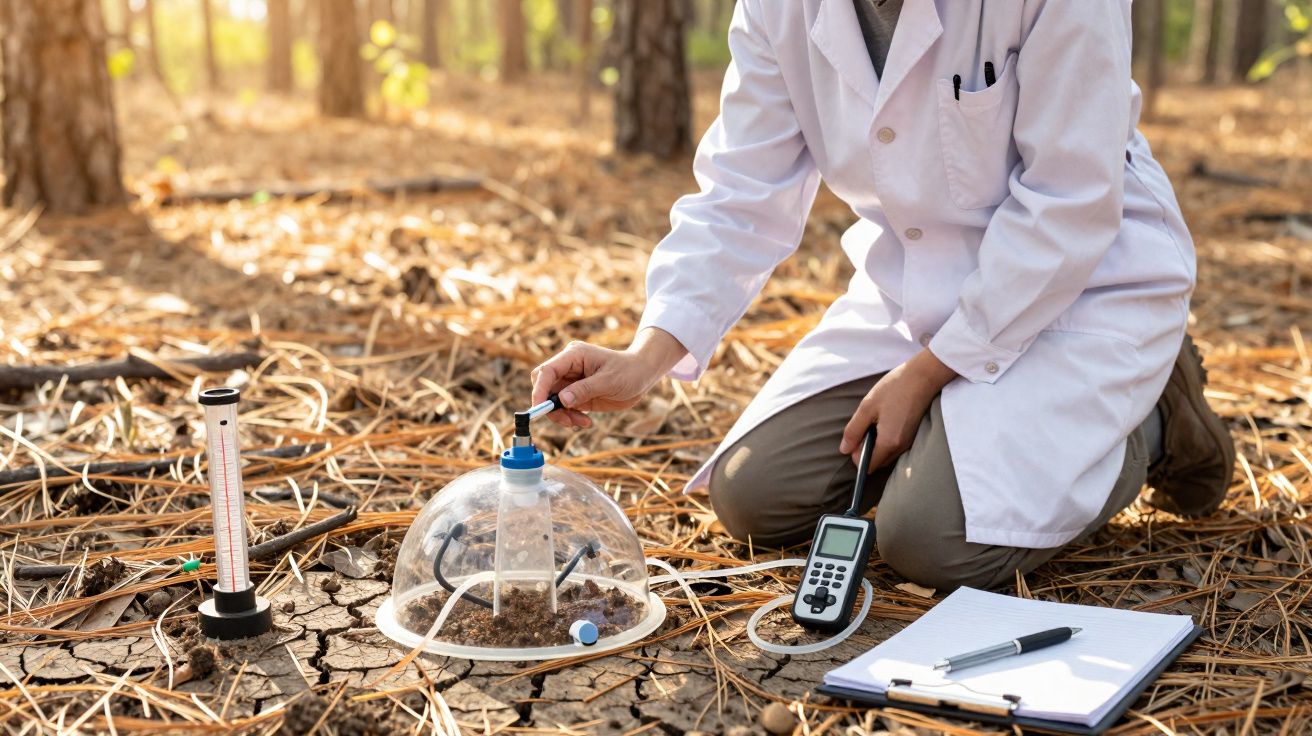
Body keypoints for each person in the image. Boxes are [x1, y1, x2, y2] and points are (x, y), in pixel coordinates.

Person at [530, 0, 1236, 591]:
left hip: (1079, 287)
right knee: (753, 496)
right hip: (916, 291)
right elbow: (741, 196)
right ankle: (960, 432)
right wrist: (646, 356)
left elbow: (1070, 198)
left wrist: (929, 373)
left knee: (932, 542)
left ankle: (1156, 416)